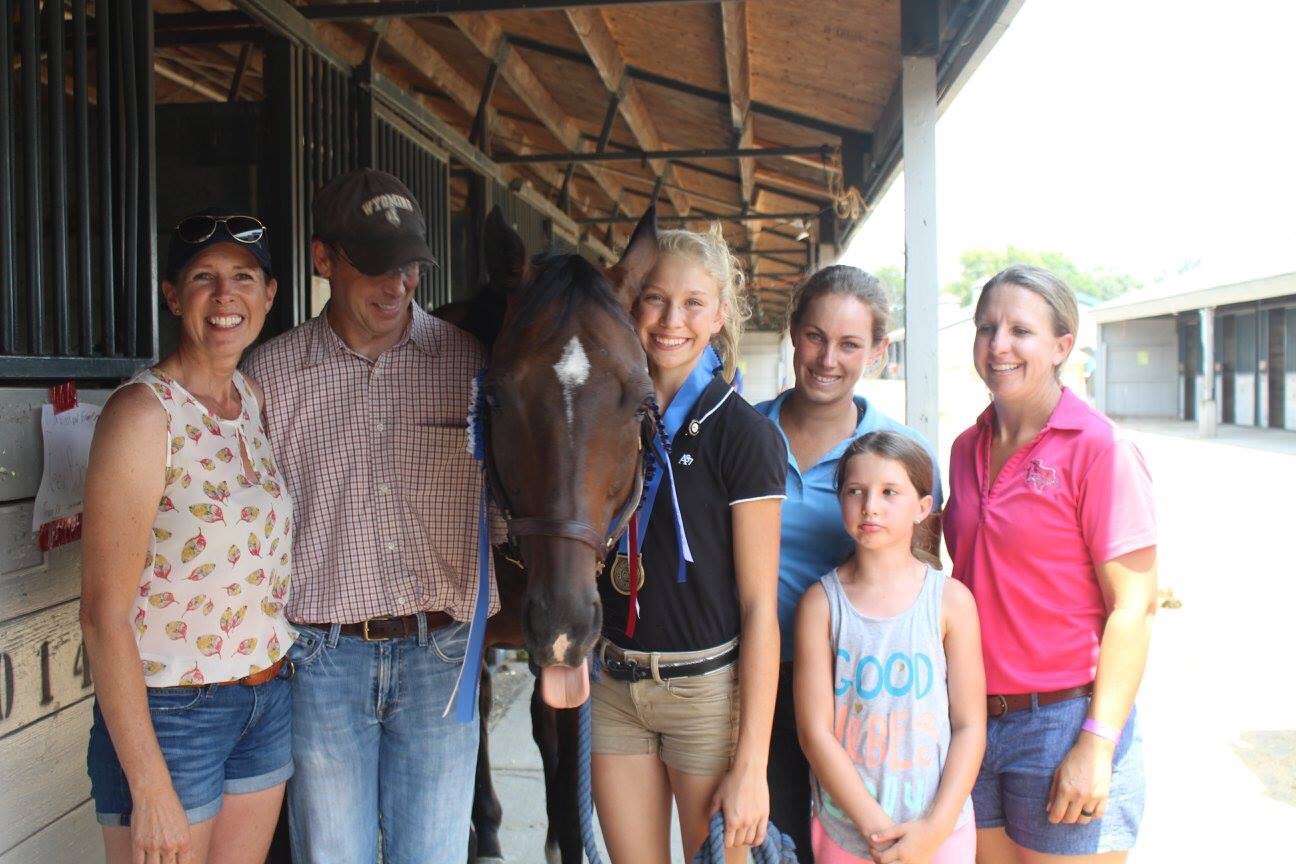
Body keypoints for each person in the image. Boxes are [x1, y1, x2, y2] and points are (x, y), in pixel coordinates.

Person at [241, 168, 495, 863]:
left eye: (409, 266)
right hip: (322, 657)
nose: (397, 285)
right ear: (323, 259)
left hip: (442, 651)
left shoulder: (470, 367)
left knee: (434, 853)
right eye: (377, 266)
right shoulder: (269, 376)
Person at [81, 210, 294, 864]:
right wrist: (148, 785)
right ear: (173, 296)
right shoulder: (143, 415)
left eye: (243, 277)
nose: (225, 295)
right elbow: (102, 615)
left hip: (264, 698)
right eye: (204, 277)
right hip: (171, 715)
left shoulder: (252, 400)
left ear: (269, 295)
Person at [944, 265, 1157, 863]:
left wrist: (1097, 743)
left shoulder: (1100, 448)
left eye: (1021, 330)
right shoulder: (966, 446)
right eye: (987, 328)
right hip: (974, 720)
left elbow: (1135, 608)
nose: (998, 345)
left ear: (1063, 346)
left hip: (1063, 721)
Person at [590, 225, 785, 863]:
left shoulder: (744, 433)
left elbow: (760, 608)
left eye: (694, 303)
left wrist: (751, 764)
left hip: (705, 696)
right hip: (616, 688)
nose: (672, 320)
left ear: (720, 314)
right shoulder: (603, 416)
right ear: (632, 306)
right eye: (655, 299)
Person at [755, 265, 942, 860]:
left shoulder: (899, 456)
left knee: (851, 841)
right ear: (792, 332)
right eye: (815, 336)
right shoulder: (741, 433)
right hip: (752, 681)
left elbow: (923, 579)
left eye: (850, 344)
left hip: (863, 688)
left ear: (878, 352)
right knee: (770, 842)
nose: (827, 359)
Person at [794, 431, 984, 864]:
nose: (870, 506)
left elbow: (970, 726)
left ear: (923, 506)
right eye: (855, 491)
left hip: (940, 833)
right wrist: (877, 831)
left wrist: (934, 830)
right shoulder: (820, 605)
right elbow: (815, 734)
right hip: (848, 833)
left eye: (889, 492)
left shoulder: (951, 601)